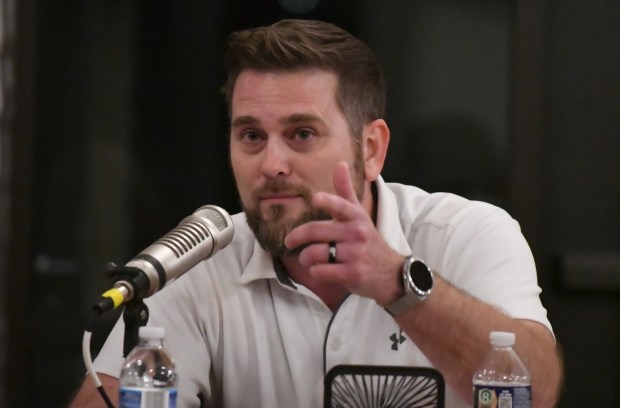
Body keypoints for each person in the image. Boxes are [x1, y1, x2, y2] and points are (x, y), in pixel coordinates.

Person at [70, 19, 562, 407]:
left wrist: (397, 283)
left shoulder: (465, 234)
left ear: (371, 148)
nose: (271, 164)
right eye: (251, 136)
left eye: (302, 134)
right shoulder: (200, 260)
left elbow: (537, 391)